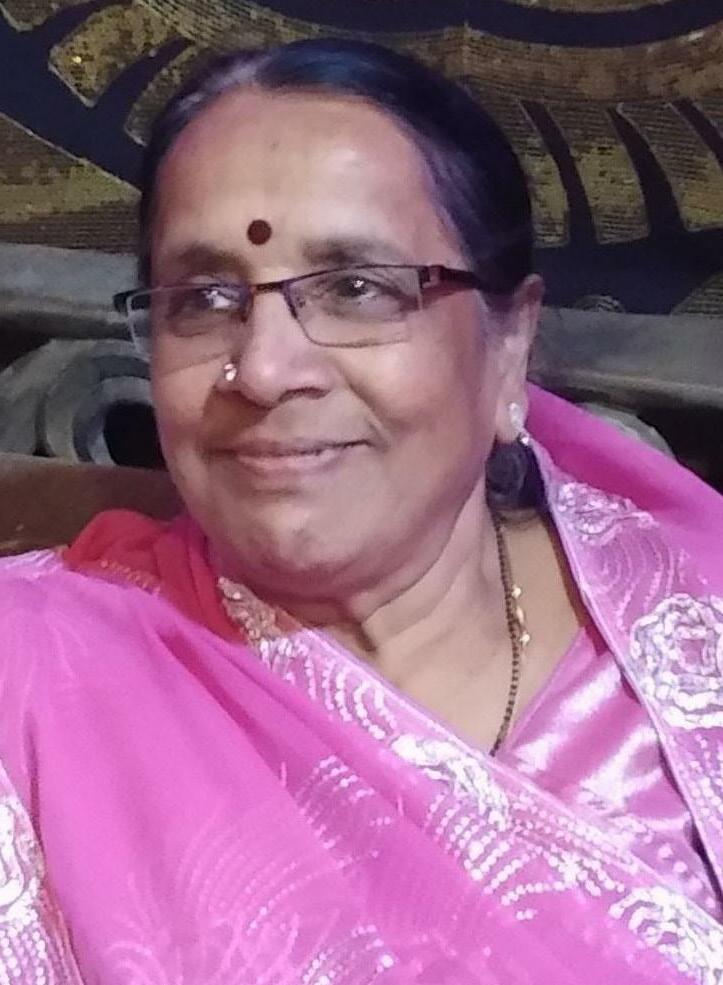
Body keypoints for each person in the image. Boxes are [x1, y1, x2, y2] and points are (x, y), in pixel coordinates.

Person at [1, 38, 722, 984]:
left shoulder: (691, 620)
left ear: (508, 345)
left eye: (354, 288)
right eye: (206, 298)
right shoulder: (38, 674)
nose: (265, 369)